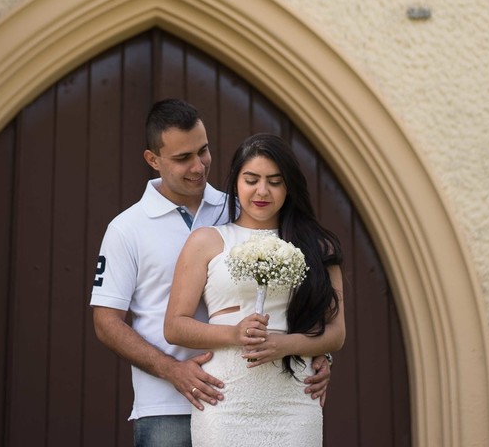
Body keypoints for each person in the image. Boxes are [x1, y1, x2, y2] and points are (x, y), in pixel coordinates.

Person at [91, 100, 330, 447]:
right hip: (164, 404)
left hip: (246, 391)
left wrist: (318, 353)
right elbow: (106, 322)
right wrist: (171, 370)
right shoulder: (126, 229)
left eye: (203, 151)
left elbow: (294, 292)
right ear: (152, 160)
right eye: (182, 158)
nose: (198, 166)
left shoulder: (241, 209)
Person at [163, 133, 345, 447]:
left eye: (275, 181)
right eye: (252, 179)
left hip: (294, 400)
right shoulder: (207, 241)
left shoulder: (317, 246)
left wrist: (286, 344)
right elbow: (175, 326)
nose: (262, 191)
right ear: (236, 182)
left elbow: (336, 333)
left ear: (289, 187)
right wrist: (234, 334)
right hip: (225, 396)